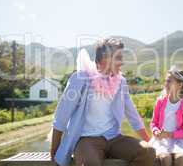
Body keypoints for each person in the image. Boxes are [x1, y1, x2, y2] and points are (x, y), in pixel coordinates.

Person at [49, 38, 156, 166]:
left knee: (148, 152)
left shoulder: (120, 82)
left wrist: (149, 141)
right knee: (90, 163)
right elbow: (61, 116)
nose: (122, 62)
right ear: (105, 57)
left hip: (114, 138)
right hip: (87, 140)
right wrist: (54, 151)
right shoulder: (80, 78)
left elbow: (133, 115)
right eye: (118, 57)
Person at [149, 66, 183, 166]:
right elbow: (154, 123)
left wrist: (170, 134)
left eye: (169, 81)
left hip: (180, 141)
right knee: (165, 158)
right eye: (166, 81)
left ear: (180, 85)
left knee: (180, 157)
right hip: (161, 140)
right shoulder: (160, 101)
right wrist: (156, 131)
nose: (165, 84)